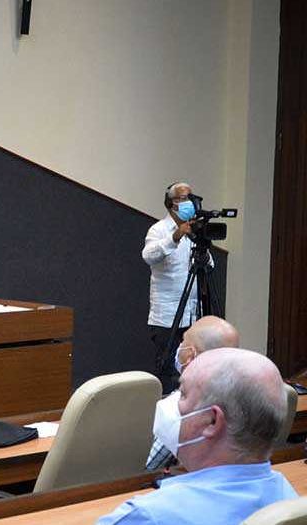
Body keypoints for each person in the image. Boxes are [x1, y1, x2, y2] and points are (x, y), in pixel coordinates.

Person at [98, 348, 297, 525]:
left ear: (212, 421)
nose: (171, 402)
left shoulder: (148, 516)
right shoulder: (288, 500)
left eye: (183, 394)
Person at [145, 315, 240, 470]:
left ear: (190, 355)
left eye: (183, 341)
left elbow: (148, 468)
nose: (180, 345)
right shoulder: (252, 396)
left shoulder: (178, 409)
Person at [142, 182, 209, 391]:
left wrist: (202, 241)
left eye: (191, 197)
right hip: (167, 317)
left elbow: (209, 265)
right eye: (183, 198)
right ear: (171, 203)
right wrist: (175, 236)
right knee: (169, 371)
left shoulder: (194, 231)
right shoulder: (159, 229)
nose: (189, 202)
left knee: (194, 368)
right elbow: (148, 256)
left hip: (192, 315)